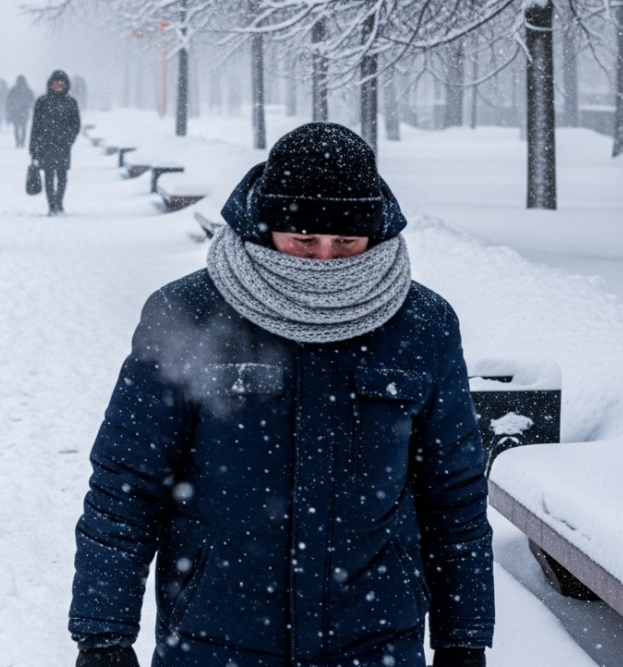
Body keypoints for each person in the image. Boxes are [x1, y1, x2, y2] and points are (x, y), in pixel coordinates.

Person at [69, 123, 493, 667]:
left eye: (345, 241)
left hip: (375, 640)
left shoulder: (422, 326)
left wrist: (463, 638)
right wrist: (103, 636)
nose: (323, 260)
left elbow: (452, 494)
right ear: (266, 226)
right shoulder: (188, 314)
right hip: (215, 639)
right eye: (304, 239)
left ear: (376, 232)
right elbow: (125, 486)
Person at [29, 70, 81, 216]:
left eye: (61, 83)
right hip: (46, 145)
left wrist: (69, 139)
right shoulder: (42, 102)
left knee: (62, 175)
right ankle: (51, 205)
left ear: (66, 85)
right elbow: (35, 126)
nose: (58, 85)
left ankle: (59, 202)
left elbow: (76, 124)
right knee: (49, 175)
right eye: (55, 83)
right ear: (50, 84)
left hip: (63, 145)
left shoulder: (71, 103)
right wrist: (33, 148)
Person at [7, 75, 35, 148]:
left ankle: (18, 142)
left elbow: (9, 101)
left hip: (16, 112)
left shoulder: (13, 90)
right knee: (23, 128)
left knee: (17, 128)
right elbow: (32, 100)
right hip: (23, 112)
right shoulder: (27, 90)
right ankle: (21, 142)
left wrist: (10, 109)